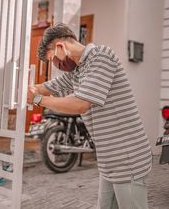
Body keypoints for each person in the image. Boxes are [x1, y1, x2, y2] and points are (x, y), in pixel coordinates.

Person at [27, 23, 152, 209]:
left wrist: (38, 99)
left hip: (127, 157)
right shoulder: (77, 71)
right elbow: (46, 87)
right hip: (108, 159)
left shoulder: (101, 56)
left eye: (53, 59)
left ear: (60, 47)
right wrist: (25, 89)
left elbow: (81, 104)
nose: (56, 65)